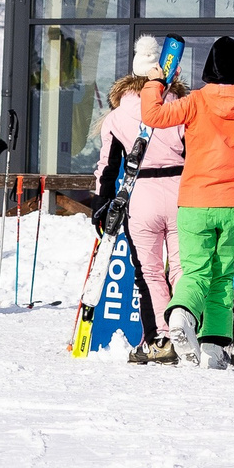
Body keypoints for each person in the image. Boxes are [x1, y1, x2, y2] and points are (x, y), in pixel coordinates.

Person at [137, 36, 234, 369]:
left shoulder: (196, 101)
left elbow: (153, 115)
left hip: (195, 199)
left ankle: (182, 315)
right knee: (222, 275)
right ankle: (213, 348)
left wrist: (155, 82)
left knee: (195, 271)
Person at [94, 40, 188, 362]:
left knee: (149, 272)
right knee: (183, 268)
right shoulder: (180, 106)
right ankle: (187, 330)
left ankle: (159, 339)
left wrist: (101, 204)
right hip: (182, 192)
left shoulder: (117, 115)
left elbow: (107, 166)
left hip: (141, 193)